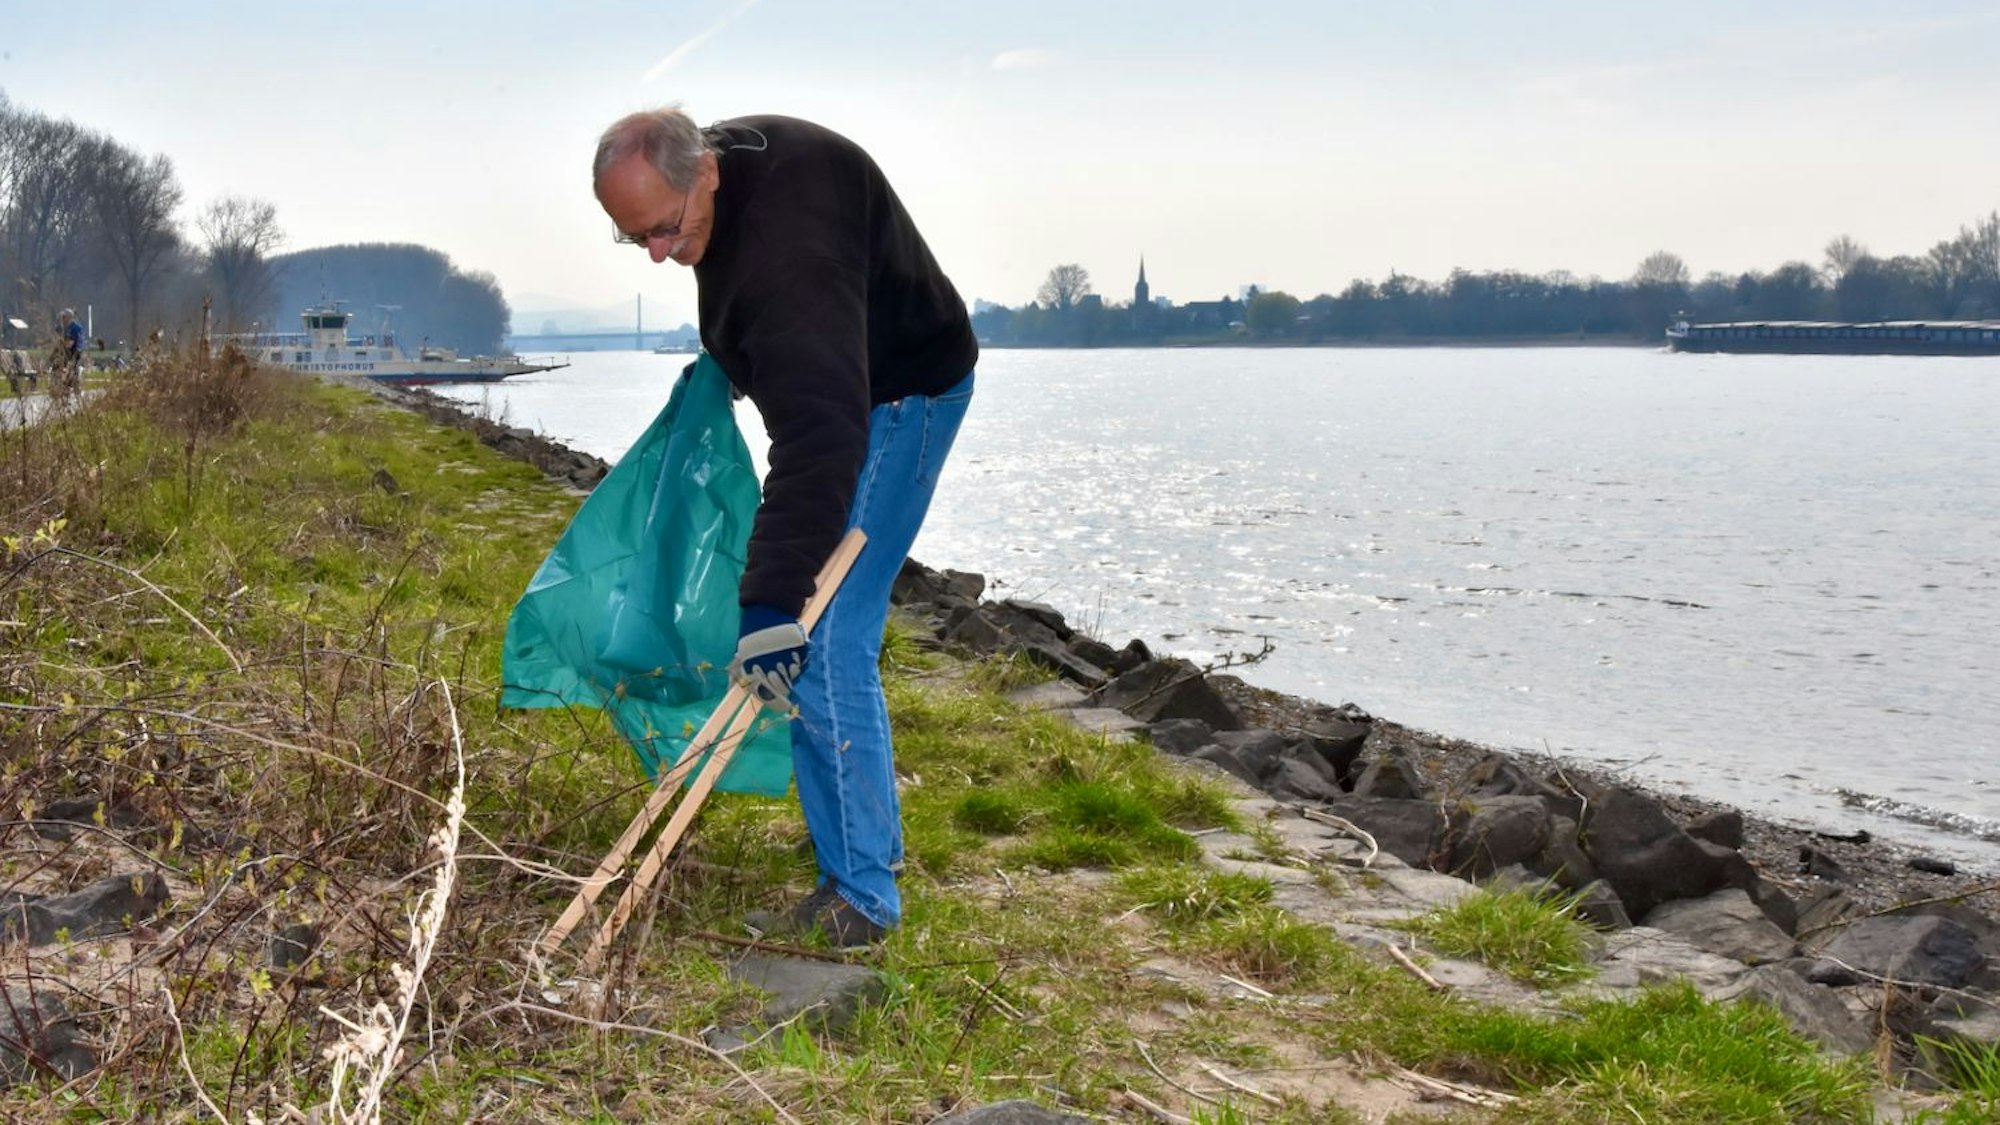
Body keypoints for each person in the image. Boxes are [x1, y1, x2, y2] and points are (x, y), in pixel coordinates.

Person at [592, 108, 977, 949]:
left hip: (902, 394)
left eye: (663, 229)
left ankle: (863, 899)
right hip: (843, 374)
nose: (658, 252)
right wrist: (726, 361)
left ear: (709, 174)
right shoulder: (707, 177)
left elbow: (821, 439)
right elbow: (753, 310)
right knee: (814, 633)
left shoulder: (788, 258)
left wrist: (769, 605)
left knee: (824, 633)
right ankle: (861, 857)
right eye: (636, 240)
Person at [57, 309, 84, 389]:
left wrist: (61, 343)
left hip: (74, 353)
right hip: (67, 353)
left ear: (69, 317)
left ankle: (72, 382)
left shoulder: (75, 328)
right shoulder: (65, 328)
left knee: (70, 369)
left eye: (64, 317)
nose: (62, 319)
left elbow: (70, 344)